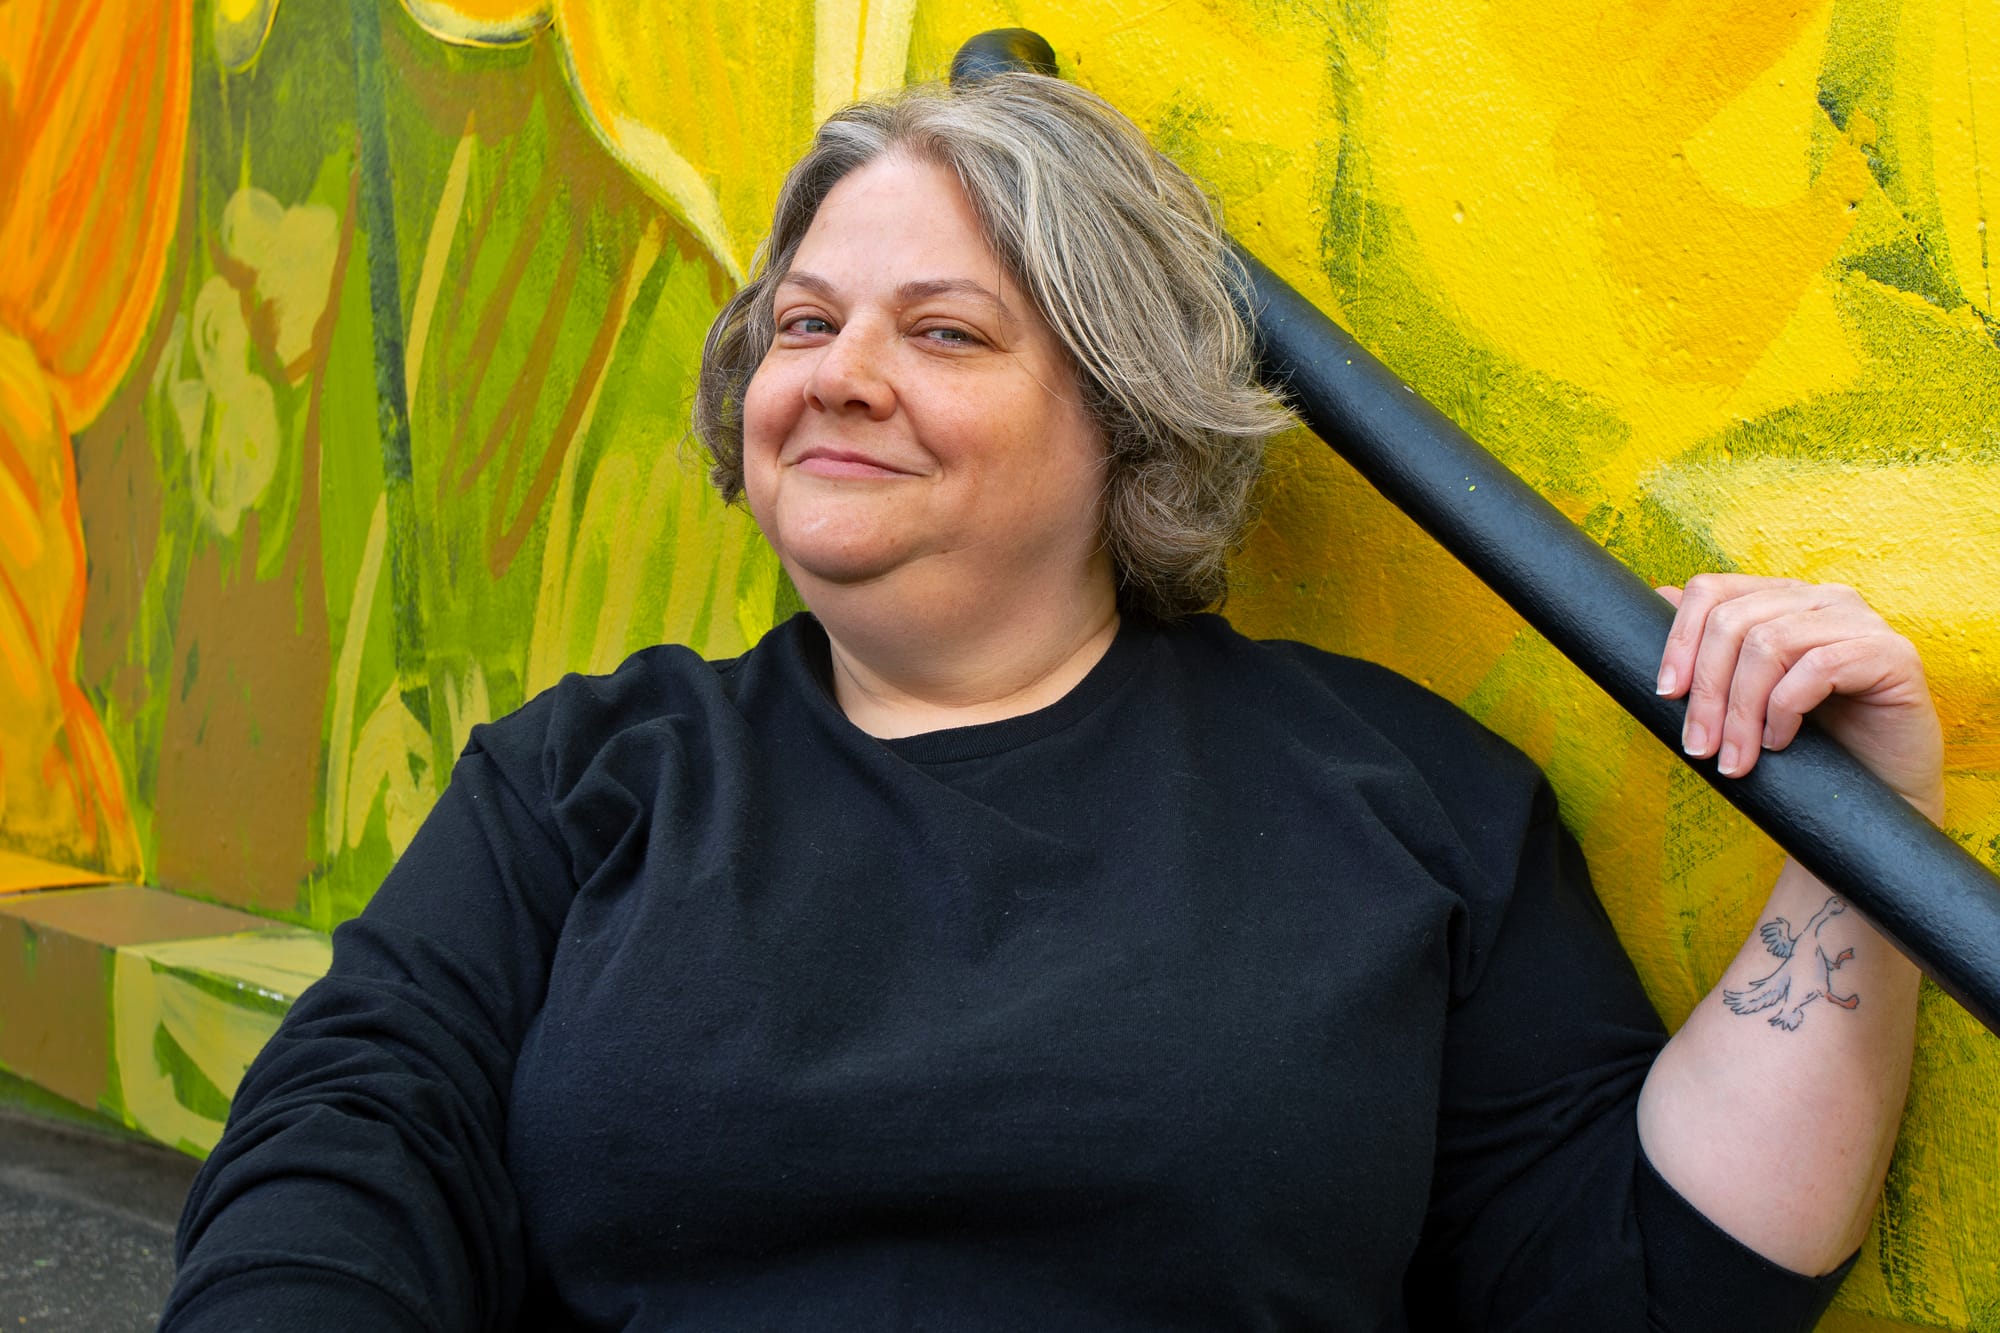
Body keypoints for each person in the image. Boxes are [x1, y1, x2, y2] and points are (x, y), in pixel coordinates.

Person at [162, 74, 1944, 1331]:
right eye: (804, 324)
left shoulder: (1394, 795)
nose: (840, 374)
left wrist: (1865, 828)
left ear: (1122, 418)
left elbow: (1640, 1277)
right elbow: (352, 1132)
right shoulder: (583, 775)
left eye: (943, 331)